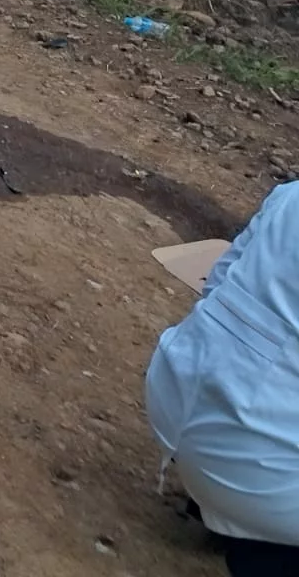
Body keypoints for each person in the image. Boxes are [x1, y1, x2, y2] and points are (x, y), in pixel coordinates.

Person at [146, 180, 299, 575]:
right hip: (265, 475)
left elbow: (216, 284)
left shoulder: (292, 195)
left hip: (175, 386)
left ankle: (215, 503)